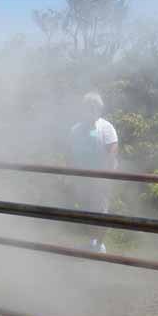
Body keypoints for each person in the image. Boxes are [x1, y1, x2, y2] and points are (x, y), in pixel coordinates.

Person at [69, 92, 119, 252]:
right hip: (83, 178)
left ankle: (100, 244)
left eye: (94, 107)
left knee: (101, 211)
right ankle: (92, 240)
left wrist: (104, 176)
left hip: (102, 178)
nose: (90, 110)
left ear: (99, 109)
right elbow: (72, 153)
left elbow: (113, 150)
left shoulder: (106, 127)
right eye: (87, 107)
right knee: (86, 210)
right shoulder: (75, 129)